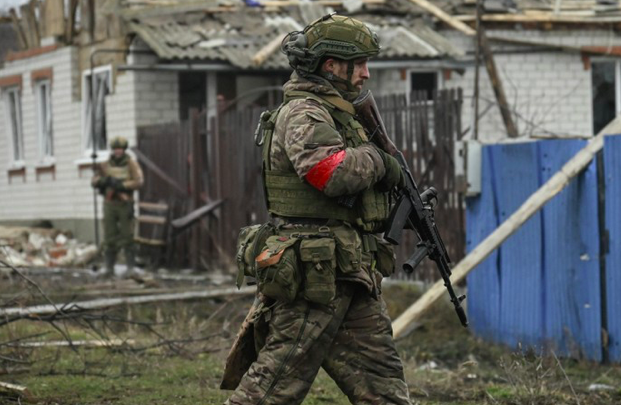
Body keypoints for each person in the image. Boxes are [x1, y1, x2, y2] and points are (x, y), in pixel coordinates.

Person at [223, 14, 411, 405]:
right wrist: (380, 161)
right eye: (359, 63)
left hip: (349, 268)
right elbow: (330, 172)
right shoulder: (305, 112)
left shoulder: (336, 111)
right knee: (274, 385)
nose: (366, 73)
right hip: (316, 272)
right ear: (330, 65)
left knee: (381, 383)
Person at [91, 137, 144, 277]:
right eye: (115, 149)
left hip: (124, 203)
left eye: (120, 149)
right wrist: (102, 182)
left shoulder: (131, 164)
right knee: (109, 236)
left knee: (127, 236)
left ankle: (130, 267)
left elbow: (138, 181)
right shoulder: (105, 165)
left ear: (124, 150)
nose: (118, 152)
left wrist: (122, 185)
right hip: (110, 203)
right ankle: (109, 267)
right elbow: (95, 180)